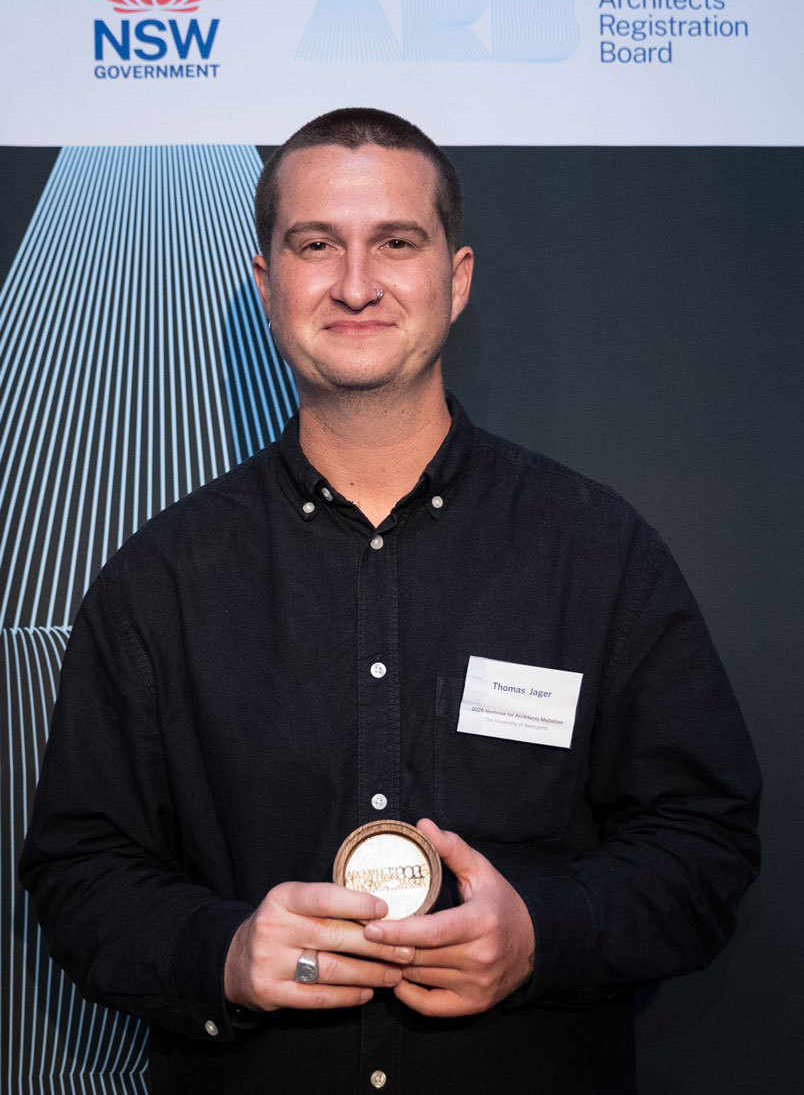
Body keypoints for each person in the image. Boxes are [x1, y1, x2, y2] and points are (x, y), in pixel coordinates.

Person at [20, 108, 761, 1093]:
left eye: (396, 243)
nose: (357, 283)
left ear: (454, 279)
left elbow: (705, 840)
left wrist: (543, 933)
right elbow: (81, 871)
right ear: (266, 284)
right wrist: (224, 953)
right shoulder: (160, 582)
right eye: (315, 244)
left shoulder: (597, 554)